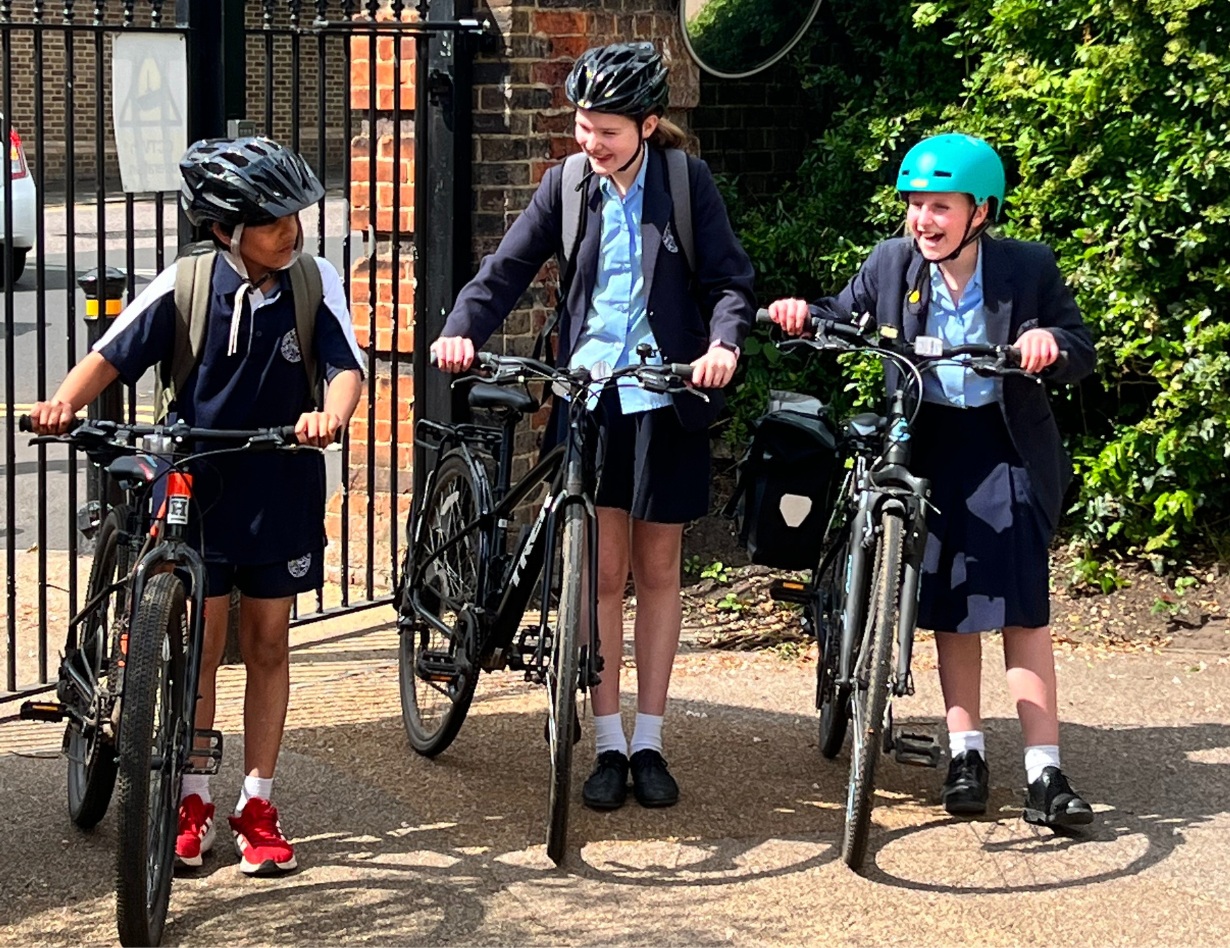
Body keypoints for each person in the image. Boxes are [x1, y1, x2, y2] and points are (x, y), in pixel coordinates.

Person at [29, 136, 366, 873]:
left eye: (294, 216)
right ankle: (192, 795)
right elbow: (112, 354)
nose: (292, 230)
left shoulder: (313, 280)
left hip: (279, 478)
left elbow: (346, 368)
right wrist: (61, 404)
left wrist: (330, 415)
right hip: (199, 481)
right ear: (224, 229)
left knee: (270, 642)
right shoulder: (187, 282)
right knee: (201, 647)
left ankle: (257, 802)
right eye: (273, 220)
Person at [432, 42, 755, 809]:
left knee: (660, 571)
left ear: (647, 123)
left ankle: (651, 740)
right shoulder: (567, 184)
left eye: (606, 129)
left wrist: (722, 344)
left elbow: (729, 281)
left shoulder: (684, 182)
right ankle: (606, 740)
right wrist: (463, 329)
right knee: (601, 574)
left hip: (664, 394)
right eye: (583, 124)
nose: (590, 141)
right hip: (590, 396)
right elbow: (505, 270)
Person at [768, 133, 1096, 829]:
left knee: (1020, 606)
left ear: (981, 212)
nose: (924, 220)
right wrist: (803, 314)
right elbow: (840, 311)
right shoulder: (892, 263)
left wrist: (1049, 346)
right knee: (952, 606)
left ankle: (1045, 768)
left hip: (1003, 445)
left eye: (940, 206)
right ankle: (965, 753)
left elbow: (1077, 346)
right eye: (916, 204)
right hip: (925, 439)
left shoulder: (1025, 268)